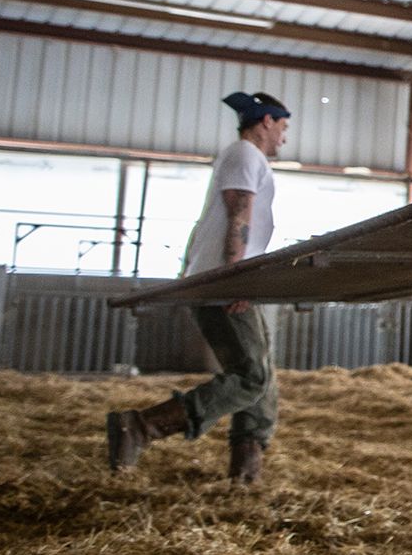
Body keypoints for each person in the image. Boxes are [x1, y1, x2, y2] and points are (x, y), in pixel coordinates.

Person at [106, 91, 290, 486]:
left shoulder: (243, 157)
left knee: (263, 379)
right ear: (266, 122)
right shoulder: (245, 155)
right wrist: (234, 276)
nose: (284, 138)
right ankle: (141, 426)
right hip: (228, 281)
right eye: (283, 127)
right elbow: (238, 213)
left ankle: (246, 478)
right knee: (252, 377)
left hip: (231, 277)